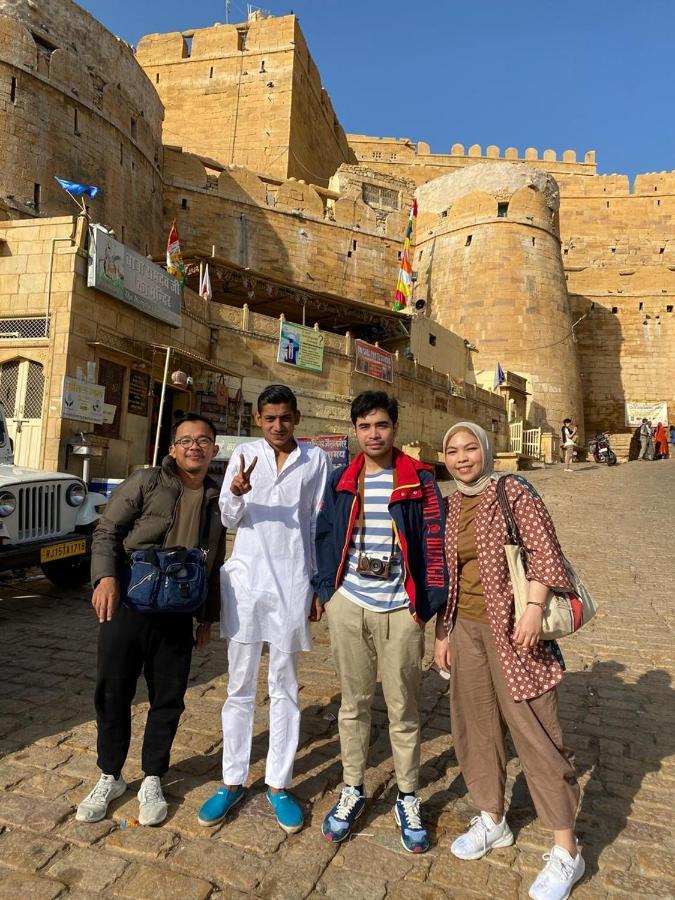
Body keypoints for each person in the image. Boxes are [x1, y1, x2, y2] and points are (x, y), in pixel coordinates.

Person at [434, 422, 584, 900]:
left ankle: (567, 849)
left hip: (516, 629)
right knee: (477, 727)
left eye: (470, 447)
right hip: (467, 630)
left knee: (537, 734)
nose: (462, 458)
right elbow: (449, 576)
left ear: (487, 448)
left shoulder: (511, 490)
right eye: (452, 451)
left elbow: (545, 552)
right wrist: (443, 634)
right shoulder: (452, 501)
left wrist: (535, 608)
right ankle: (492, 817)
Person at [313, 391, 447, 853]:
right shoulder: (342, 479)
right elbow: (325, 533)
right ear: (355, 429)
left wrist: (425, 605)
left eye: (382, 425)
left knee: (403, 707)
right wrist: (327, 592)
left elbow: (434, 541)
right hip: (350, 604)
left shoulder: (419, 479)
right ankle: (353, 786)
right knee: (353, 703)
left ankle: (407, 794)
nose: (374, 434)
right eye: (365, 425)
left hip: (399, 610)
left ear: (395, 428)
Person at [76, 413, 225, 826]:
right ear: (173, 448)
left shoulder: (217, 497)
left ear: (213, 449)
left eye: (203, 440)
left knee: (167, 698)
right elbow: (106, 530)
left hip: (176, 611)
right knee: (113, 692)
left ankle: (153, 775)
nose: (194, 446)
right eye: (186, 440)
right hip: (128, 603)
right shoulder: (145, 482)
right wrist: (105, 578)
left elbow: (214, 564)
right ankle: (110, 775)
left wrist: (207, 618)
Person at [198, 385, 331, 834]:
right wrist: (235, 492)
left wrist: (317, 585)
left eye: (286, 418)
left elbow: (316, 524)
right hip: (247, 584)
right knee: (239, 685)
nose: (278, 426)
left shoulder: (315, 460)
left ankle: (278, 783)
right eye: (270, 418)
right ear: (259, 420)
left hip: (292, 583)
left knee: (285, 686)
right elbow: (229, 518)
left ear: (297, 417)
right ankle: (231, 779)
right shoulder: (245, 455)